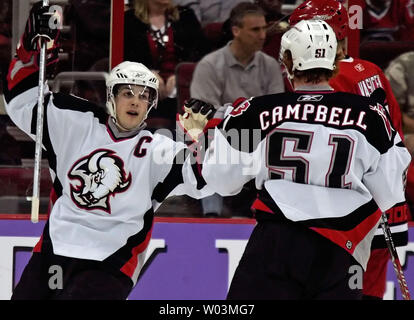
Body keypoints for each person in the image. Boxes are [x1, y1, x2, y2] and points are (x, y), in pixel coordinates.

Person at [5, 2, 214, 300]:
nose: (135, 101)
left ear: (151, 105)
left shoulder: (158, 149)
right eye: (127, 92)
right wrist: (34, 45)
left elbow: (207, 180)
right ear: (111, 97)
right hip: (56, 251)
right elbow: (21, 102)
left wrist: (203, 137)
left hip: (111, 261)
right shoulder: (74, 121)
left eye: (144, 96)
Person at [199, 19, 411, 299]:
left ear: (287, 62)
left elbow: (221, 180)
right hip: (341, 249)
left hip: (275, 243)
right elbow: (389, 192)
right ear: (334, 61)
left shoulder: (256, 111)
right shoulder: (372, 116)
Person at [288, 0, 409, 299]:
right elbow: (397, 138)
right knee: (370, 292)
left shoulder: (325, 78)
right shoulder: (370, 70)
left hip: (350, 213)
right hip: (388, 204)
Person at [191, 2, 285, 217]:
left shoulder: (270, 65)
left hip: (259, 137)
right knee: (207, 148)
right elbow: (203, 117)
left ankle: (265, 213)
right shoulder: (210, 65)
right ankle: (211, 217)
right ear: (236, 31)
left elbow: (278, 110)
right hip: (222, 136)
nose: (262, 35)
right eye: (255, 30)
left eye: (264, 29)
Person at [123, 0, 210, 129]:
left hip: (183, 86)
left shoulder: (186, 16)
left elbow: (202, 53)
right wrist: (146, 73)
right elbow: (124, 57)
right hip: (143, 87)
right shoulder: (129, 20)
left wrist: (182, 75)